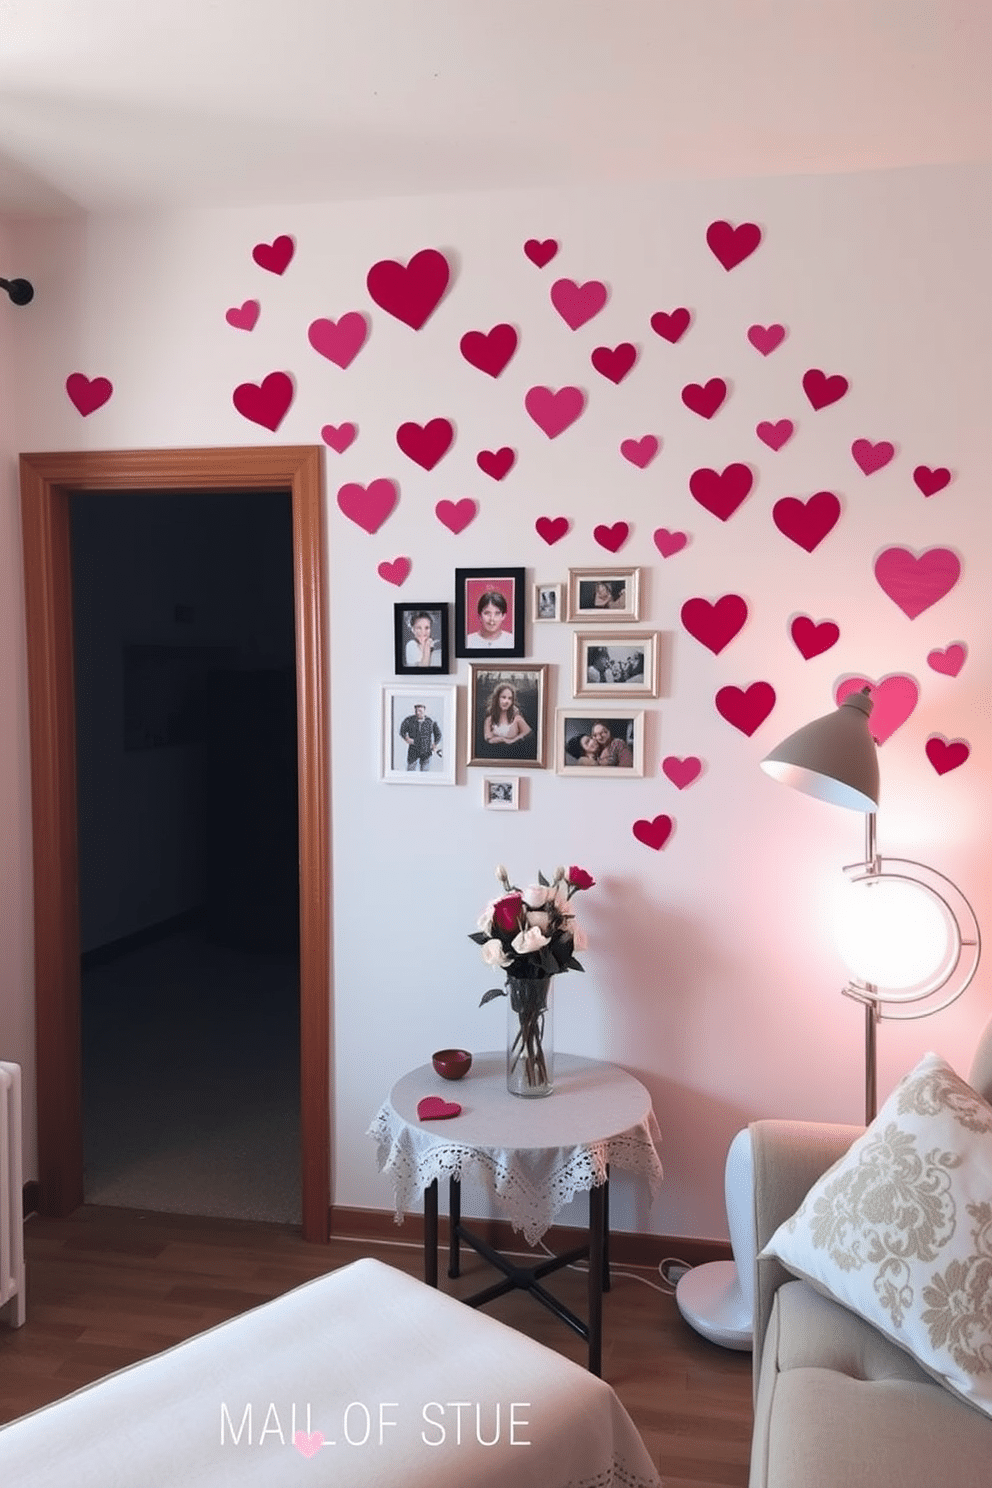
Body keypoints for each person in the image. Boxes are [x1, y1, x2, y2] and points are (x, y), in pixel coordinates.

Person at [399, 702, 441, 771]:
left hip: (426, 751)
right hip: (413, 750)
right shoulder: (409, 720)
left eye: (420, 711)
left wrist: (435, 744)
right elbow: (402, 730)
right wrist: (406, 738)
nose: (418, 713)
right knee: (410, 771)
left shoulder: (431, 722)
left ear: (424, 711)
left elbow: (438, 734)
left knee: (424, 773)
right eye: (416, 711)